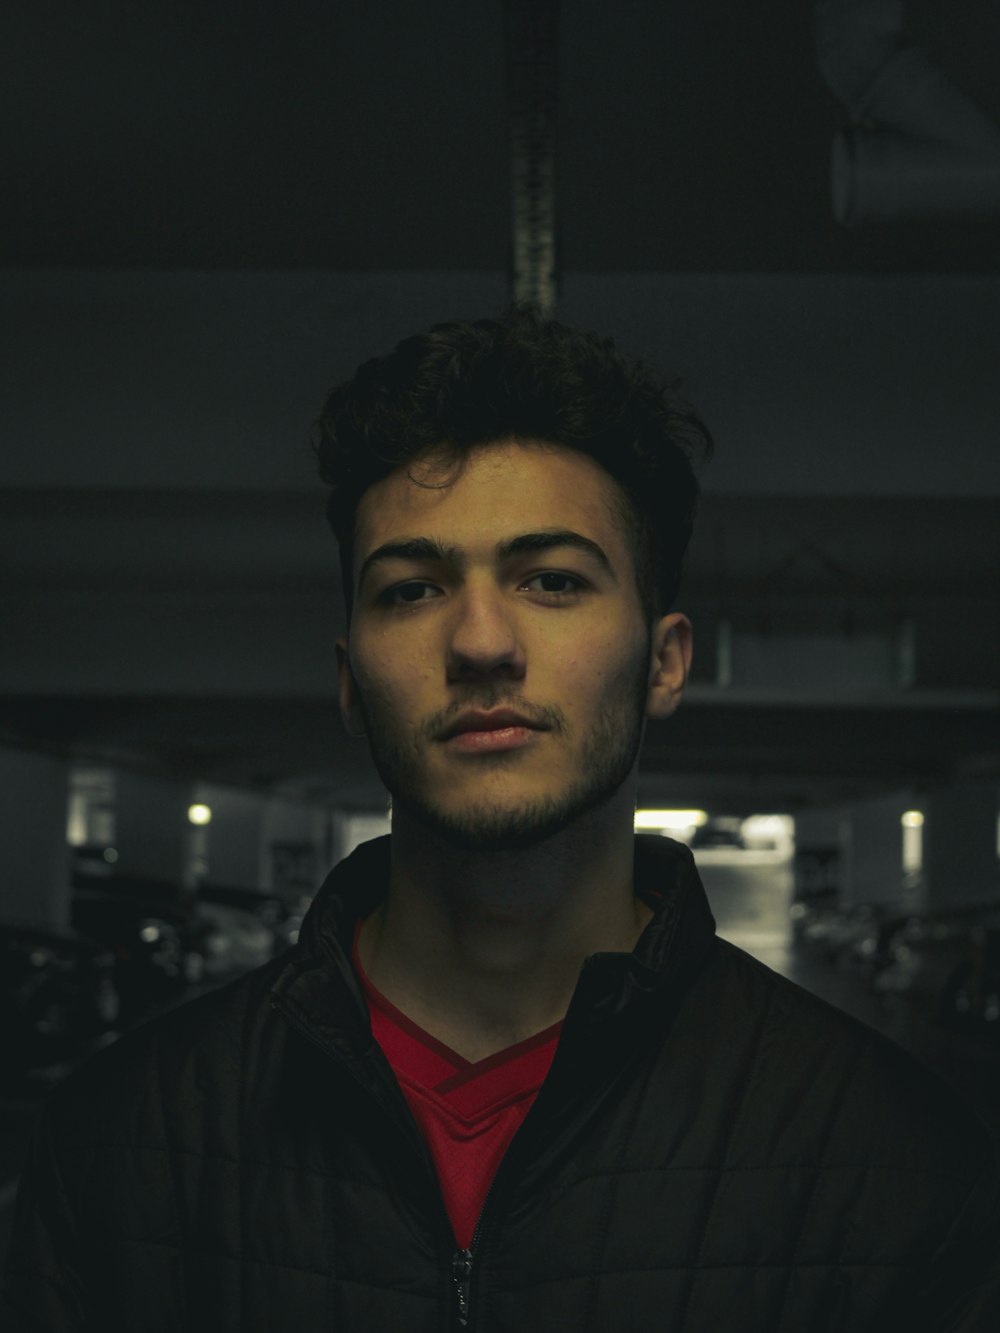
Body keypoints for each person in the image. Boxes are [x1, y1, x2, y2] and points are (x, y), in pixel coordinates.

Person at [4, 307, 999, 1331]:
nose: (481, 639)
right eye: (412, 588)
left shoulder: (886, 1156)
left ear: (663, 662)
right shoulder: (123, 1136)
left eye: (552, 580)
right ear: (350, 681)